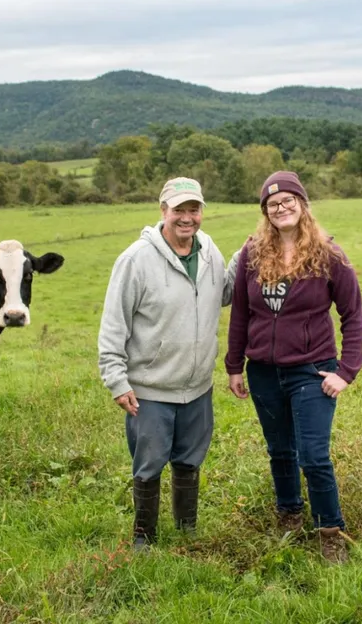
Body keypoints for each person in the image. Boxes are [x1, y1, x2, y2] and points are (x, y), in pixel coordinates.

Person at [225, 171, 362, 563]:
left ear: (302, 205)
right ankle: (289, 515)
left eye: (288, 201)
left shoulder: (328, 254)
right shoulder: (253, 254)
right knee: (279, 451)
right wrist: (235, 365)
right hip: (264, 371)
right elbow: (240, 314)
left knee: (313, 455)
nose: (281, 208)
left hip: (312, 370)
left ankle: (330, 532)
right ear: (266, 213)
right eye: (273, 204)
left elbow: (353, 314)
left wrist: (346, 370)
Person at [98, 176, 236, 550]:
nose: (187, 218)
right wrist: (117, 380)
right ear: (163, 211)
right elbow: (114, 324)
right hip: (151, 388)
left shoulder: (210, 253)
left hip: (198, 386)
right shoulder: (135, 260)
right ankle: (144, 537)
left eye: (194, 210)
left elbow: (223, 292)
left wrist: (252, 255)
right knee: (150, 463)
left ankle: (186, 529)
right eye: (179, 210)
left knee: (190, 459)